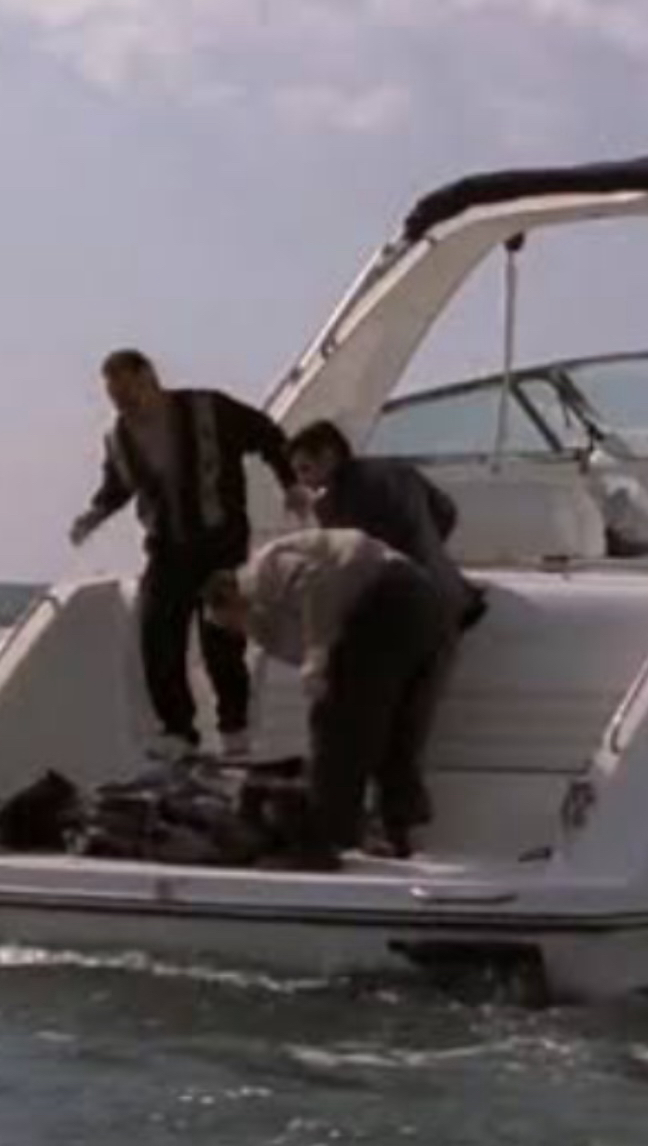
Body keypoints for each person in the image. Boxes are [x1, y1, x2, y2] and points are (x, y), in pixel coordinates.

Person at [70, 349, 304, 757]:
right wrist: (94, 514)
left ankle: (235, 730)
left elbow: (267, 434)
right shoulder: (119, 437)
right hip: (167, 548)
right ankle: (178, 731)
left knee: (220, 640)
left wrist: (291, 483)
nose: (123, 404)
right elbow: (117, 487)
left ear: (149, 377)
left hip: (220, 541)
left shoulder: (207, 408)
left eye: (127, 392)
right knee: (157, 635)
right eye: (115, 397)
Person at [203, 529, 454, 865]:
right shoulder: (268, 619)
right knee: (392, 728)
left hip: (382, 596)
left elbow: (316, 581)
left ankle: (325, 840)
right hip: (423, 602)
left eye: (228, 623)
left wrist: (316, 655)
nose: (236, 632)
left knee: (337, 725)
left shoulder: (262, 571)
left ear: (229, 597)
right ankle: (397, 828)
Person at [286, 419, 485, 626]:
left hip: (420, 613)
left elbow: (347, 560)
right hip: (457, 597)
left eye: (305, 469)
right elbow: (446, 512)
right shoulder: (391, 470)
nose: (302, 480)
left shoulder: (339, 500)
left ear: (328, 457)